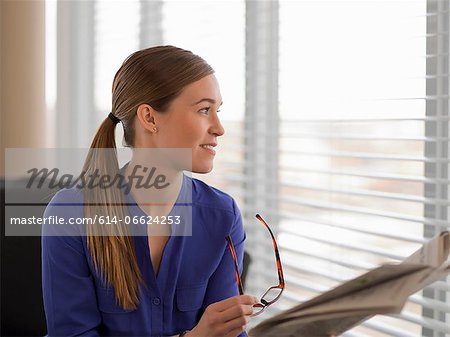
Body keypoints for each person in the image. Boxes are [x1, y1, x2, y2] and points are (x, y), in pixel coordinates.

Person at [42, 45, 258, 337]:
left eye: (217, 111)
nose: (219, 128)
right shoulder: (71, 214)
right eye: (204, 110)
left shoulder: (222, 215)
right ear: (150, 118)